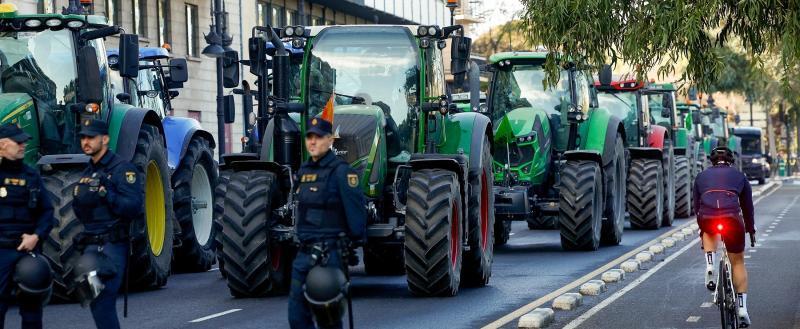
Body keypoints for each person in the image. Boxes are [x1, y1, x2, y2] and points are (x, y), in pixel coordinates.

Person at [288, 117, 366, 329]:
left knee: (327, 319)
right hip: (303, 254)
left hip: (328, 255)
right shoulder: (304, 171)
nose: (312, 142)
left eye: (318, 137)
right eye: (309, 137)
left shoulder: (342, 172)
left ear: (330, 140)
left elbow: (356, 215)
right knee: (296, 317)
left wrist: (348, 247)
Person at [71, 119, 142, 329]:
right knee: (93, 300)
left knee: (103, 301)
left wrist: (107, 193)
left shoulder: (122, 170)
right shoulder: (87, 172)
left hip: (112, 246)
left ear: (105, 139)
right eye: (83, 137)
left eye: (91, 137)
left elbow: (132, 207)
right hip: (90, 247)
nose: (86, 141)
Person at [694, 146, 755, 327]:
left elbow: (696, 207)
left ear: (711, 161)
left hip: (707, 218)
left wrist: (701, 228)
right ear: (731, 161)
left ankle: (710, 265)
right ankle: (742, 309)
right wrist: (750, 229)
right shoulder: (740, 177)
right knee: (738, 262)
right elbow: (748, 207)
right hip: (732, 219)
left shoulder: (701, 176)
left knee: (708, 229)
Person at [0, 123, 54, 329]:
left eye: (24, 141)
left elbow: (47, 211)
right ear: (2, 145)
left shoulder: (32, 176)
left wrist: (37, 236)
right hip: (1, 250)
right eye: (18, 142)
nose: (23, 145)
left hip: (27, 249)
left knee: (32, 311)